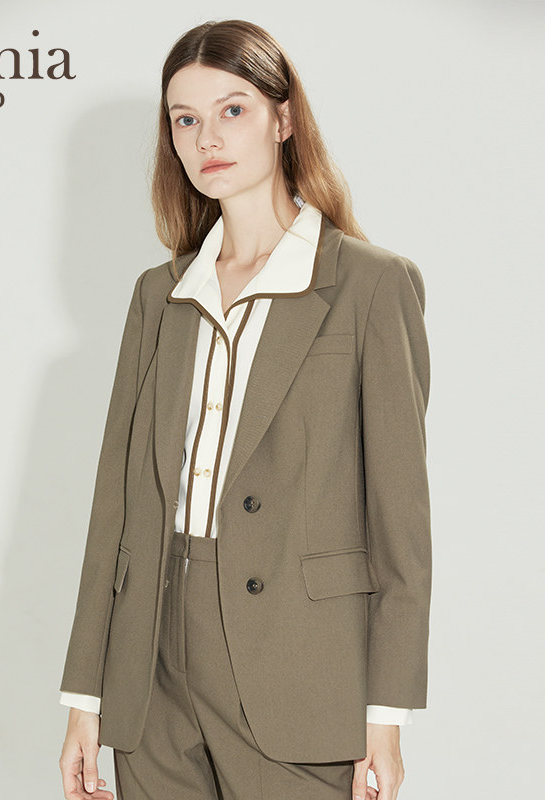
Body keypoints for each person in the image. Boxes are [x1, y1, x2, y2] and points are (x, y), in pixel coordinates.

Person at [57, 18, 431, 800]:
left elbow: (401, 522)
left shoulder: (370, 286)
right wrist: (85, 696)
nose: (207, 139)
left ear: (283, 118)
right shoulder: (160, 296)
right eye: (185, 119)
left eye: (233, 110)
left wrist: (385, 715)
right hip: (152, 669)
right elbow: (114, 506)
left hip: (301, 669)